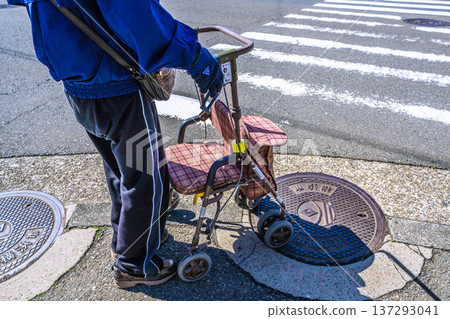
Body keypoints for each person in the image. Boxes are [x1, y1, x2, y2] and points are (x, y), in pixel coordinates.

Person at [8, 0, 223, 288]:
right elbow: (136, 14)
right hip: (117, 86)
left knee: (120, 171)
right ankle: (135, 265)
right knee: (148, 177)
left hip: (77, 82)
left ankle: (125, 242)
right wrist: (195, 57)